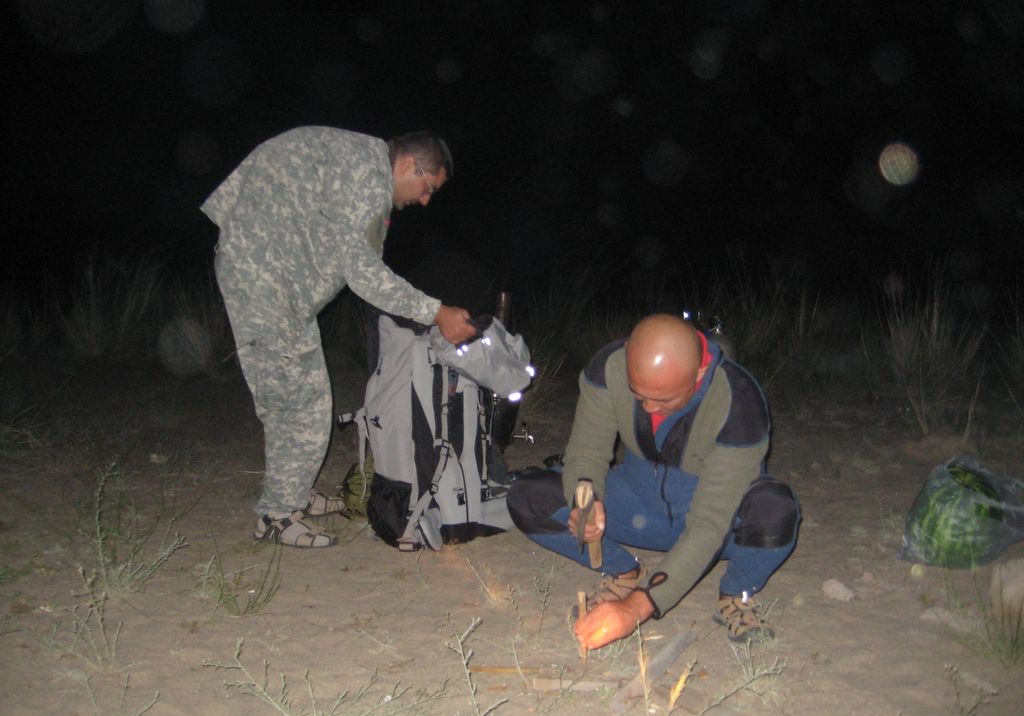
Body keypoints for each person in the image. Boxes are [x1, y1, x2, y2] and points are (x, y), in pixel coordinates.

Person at [201, 127, 476, 548]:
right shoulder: (367, 173)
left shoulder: (354, 159)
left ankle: (292, 490)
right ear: (408, 164)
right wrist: (436, 312)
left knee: (289, 394)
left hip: (265, 272)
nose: (425, 200)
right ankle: (277, 516)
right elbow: (363, 273)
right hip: (266, 279)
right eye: (427, 188)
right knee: (303, 400)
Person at [508, 314, 800, 648]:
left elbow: (710, 524)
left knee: (774, 508)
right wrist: (585, 501)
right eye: (638, 393)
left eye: (663, 400)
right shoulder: (609, 368)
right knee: (528, 496)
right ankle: (625, 573)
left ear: (699, 373)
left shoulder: (738, 402)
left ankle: (735, 595)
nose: (648, 408)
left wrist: (636, 608)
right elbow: (587, 453)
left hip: (721, 528)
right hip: (639, 507)